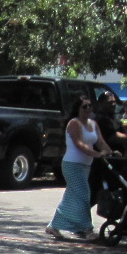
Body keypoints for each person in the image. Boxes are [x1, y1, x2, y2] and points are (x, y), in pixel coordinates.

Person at [46, 96, 108, 241]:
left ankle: (53, 226)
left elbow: (101, 142)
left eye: (90, 106)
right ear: (78, 109)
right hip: (72, 164)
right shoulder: (74, 123)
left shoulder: (93, 124)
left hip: (86, 165)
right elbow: (80, 144)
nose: (88, 109)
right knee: (84, 194)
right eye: (84, 106)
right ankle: (87, 229)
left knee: (71, 196)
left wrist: (109, 152)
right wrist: (97, 154)